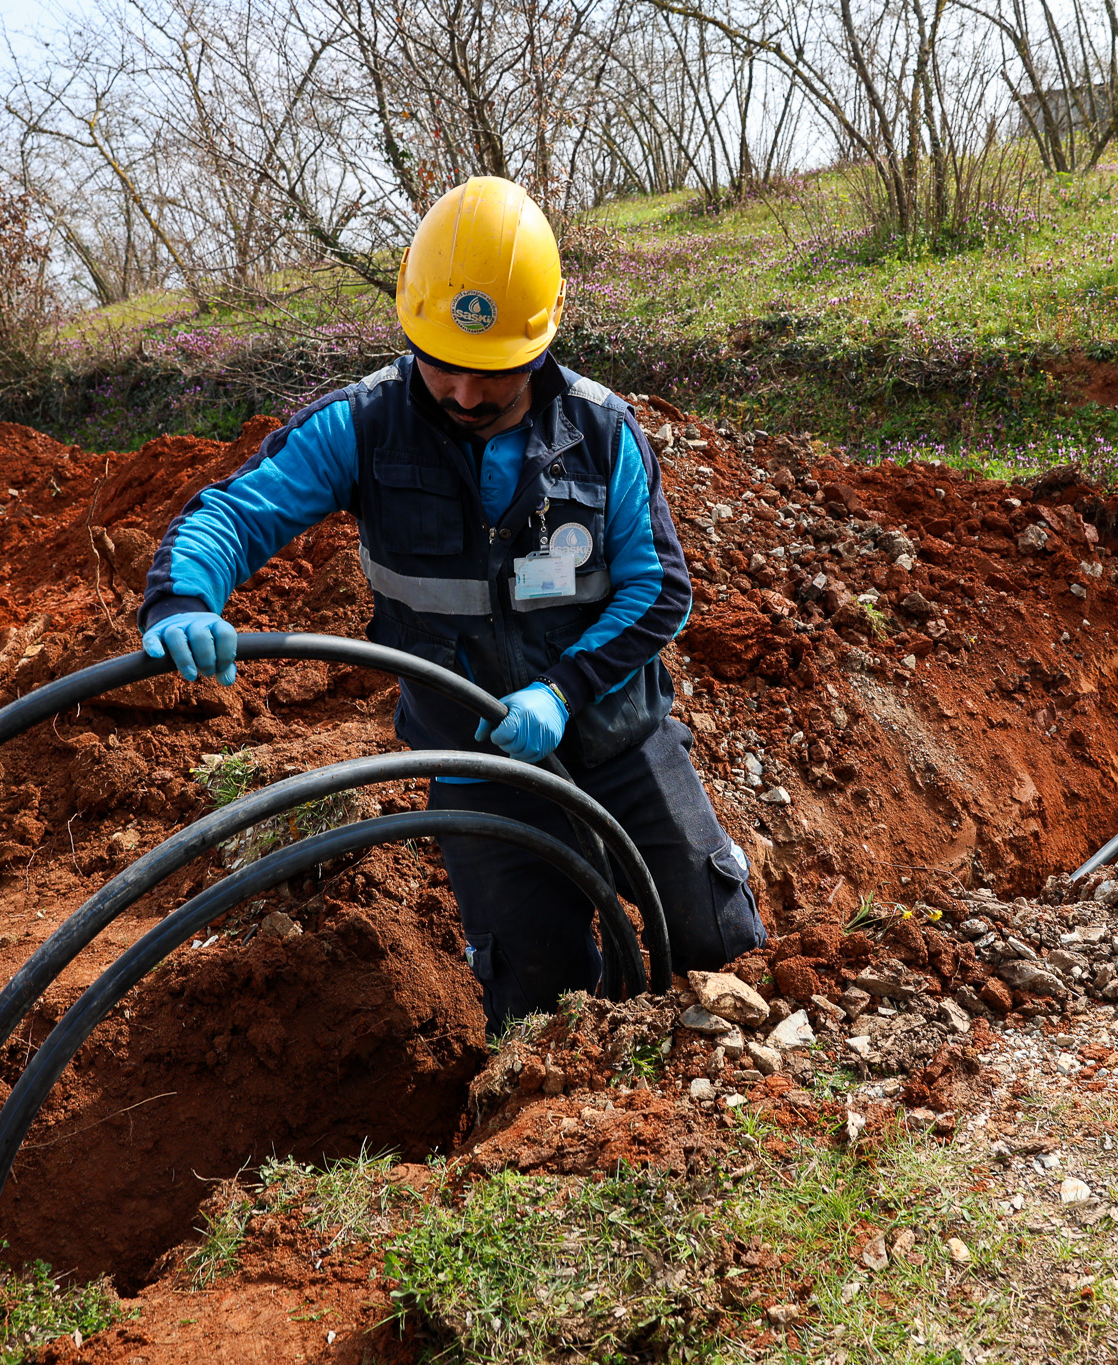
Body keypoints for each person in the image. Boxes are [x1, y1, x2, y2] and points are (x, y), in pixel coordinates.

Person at [138, 176, 765, 1031]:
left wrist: (564, 689)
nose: (466, 396)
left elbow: (661, 590)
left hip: (620, 746)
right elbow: (238, 512)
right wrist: (183, 596)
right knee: (539, 1010)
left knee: (718, 939)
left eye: (494, 376)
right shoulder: (362, 427)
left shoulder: (603, 431)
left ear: (541, 343)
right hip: (477, 766)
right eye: (444, 367)